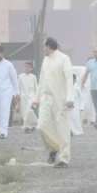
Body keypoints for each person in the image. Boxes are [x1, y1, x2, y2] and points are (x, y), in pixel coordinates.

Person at [32, 37, 74, 168]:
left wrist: (70, 98)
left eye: (44, 47)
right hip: (46, 98)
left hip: (60, 100)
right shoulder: (45, 60)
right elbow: (41, 80)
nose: (43, 49)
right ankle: (54, 147)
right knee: (42, 125)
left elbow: (69, 79)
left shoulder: (64, 58)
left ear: (49, 46)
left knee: (62, 129)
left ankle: (64, 158)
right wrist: (36, 98)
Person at [18, 61, 38, 133]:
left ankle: (27, 127)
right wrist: (18, 96)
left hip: (31, 96)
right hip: (23, 97)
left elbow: (36, 88)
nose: (26, 68)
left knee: (29, 111)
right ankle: (32, 125)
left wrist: (36, 98)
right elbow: (18, 87)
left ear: (31, 68)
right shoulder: (20, 76)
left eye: (28, 67)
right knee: (24, 112)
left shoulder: (33, 77)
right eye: (25, 67)